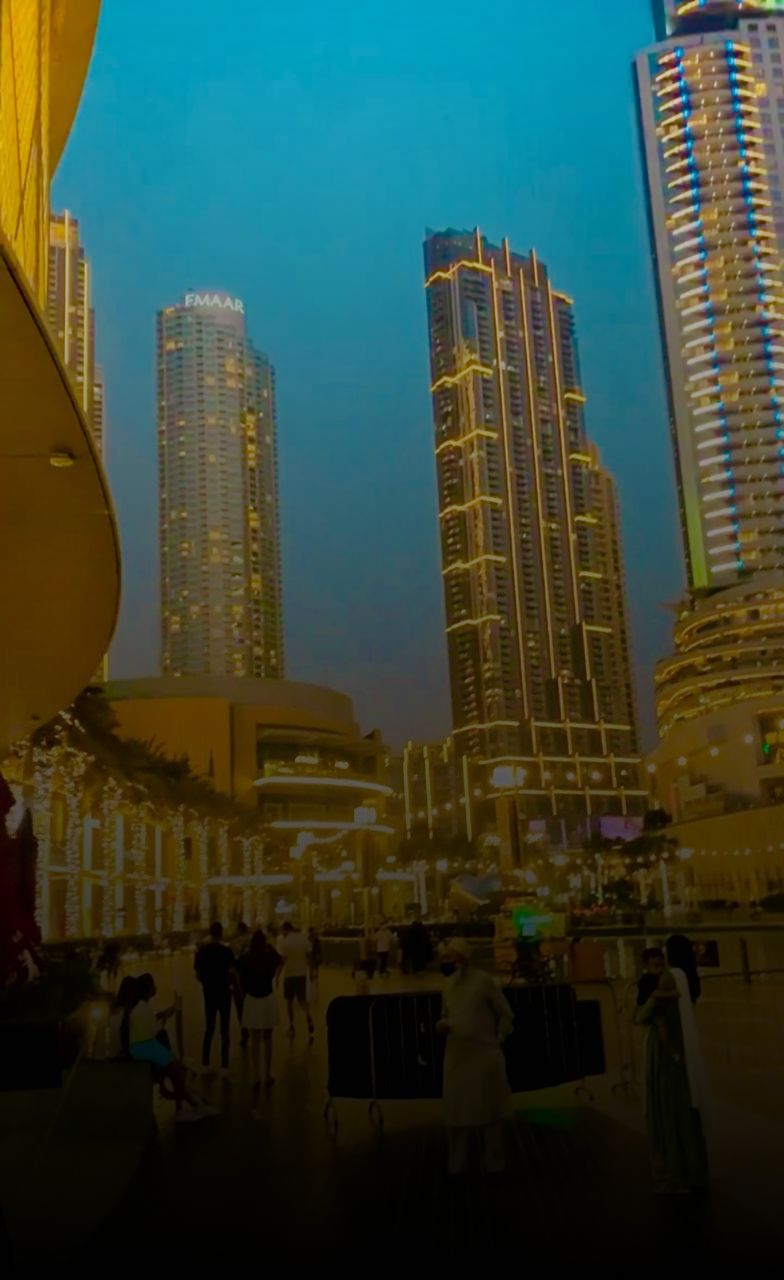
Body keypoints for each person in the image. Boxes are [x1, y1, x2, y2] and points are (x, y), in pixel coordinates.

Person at [636, 933, 709, 1196]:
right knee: (687, 1114)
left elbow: (644, 1015)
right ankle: (695, 1172)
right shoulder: (688, 977)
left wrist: (652, 997)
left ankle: (672, 1175)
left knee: (666, 1112)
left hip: (665, 1052)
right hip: (684, 1049)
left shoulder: (668, 978)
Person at [436, 938, 514, 1176]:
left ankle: (493, 1160)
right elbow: (447, 1013)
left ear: (462, 959)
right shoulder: (448, 985)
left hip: (483, 1053)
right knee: (458, 1109)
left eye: (449, 957)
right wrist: (443, 1024)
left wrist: (499, 1037)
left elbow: (505, 1013)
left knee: (488, 1108)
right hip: (457, 1053)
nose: (445, 962)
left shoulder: (483, 982)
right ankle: (458, 1162)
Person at [124, 973, 212, 1123]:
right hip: (146, 1047)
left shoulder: (140, 1006)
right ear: (148, 988)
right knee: (179, 1071)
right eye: (153, 984)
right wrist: (163, 1020)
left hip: (144, 1046)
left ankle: (187, 1106)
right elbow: (153, 1031)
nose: (155, 987)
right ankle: (191, 1106)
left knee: (178, 1071)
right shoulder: (143, 1008)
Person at [237, 929, 282, 1089]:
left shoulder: (245, 958)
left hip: (251, 999)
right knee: (268, 1038)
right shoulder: (269, 957)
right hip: (267, 998)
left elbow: (239, 976)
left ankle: (255, 1075)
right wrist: (269, 946)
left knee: (254, 1039)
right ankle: (267, 1074)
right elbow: (279, 958)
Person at [194, 922, 236, 1077]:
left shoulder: (202, 952)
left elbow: (197, 973)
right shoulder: (226, 951)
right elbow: (233, 971)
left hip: (209, 993)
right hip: (224, 992)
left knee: (209, 1028)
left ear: (210, 933)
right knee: (224, 1029)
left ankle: (205, 1063)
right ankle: (224, 1066)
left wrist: (206, 983)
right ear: (221, 933)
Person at [277, 921, 314, 1039]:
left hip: (289, 975)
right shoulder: (303, 939)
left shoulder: (286, 942)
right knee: (302, 999)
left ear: (286, 929)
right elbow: (310, 957)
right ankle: (308, 1015)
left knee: (289, 1001)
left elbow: (283, 961)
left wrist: (277, 975)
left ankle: (292, 1026)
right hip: (302, 974)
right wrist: (311, 972)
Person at [232, 922, 251, 1047]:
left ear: (239, 930)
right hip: (252, 977)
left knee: (240, 1005)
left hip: (238, 977)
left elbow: (232, 959)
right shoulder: (252, 941)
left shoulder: (235, 942)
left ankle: (244, 1032)